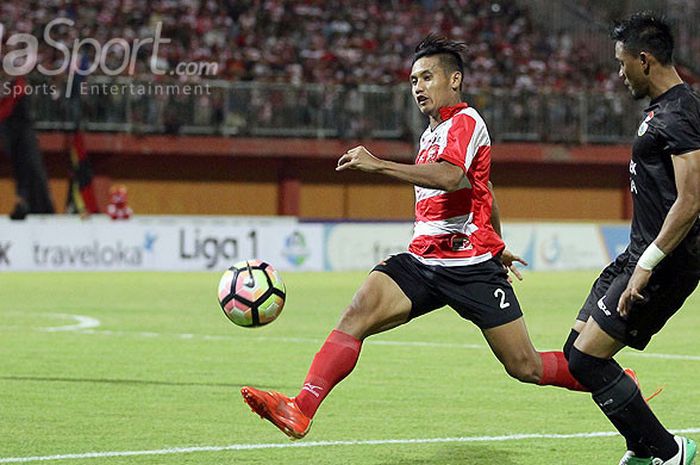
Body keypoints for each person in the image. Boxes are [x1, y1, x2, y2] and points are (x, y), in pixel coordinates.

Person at [240, 34, 590, 440]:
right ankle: (301, 408)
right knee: (357, 313)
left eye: (427, 78)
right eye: (413, 81)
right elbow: (484, 190)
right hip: (423, 262)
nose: (418, 88)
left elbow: (451, 177)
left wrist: (379, 166)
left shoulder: (466, 121)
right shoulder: (431, 134)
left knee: (525, 366)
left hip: (469, 268)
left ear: (454, 80)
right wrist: (498, 241)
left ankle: (608, 380)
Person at [564, 12, 700, 465]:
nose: (619, 73)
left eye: (622, 63)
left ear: (645, 59)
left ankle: (667, 452)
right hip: (636, 253)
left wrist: (648, 264)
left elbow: (692, 199)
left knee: (587, 361)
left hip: (664, 262)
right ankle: (643, 449)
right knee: (574, 352)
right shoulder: (663, 110)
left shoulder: (681, 112)